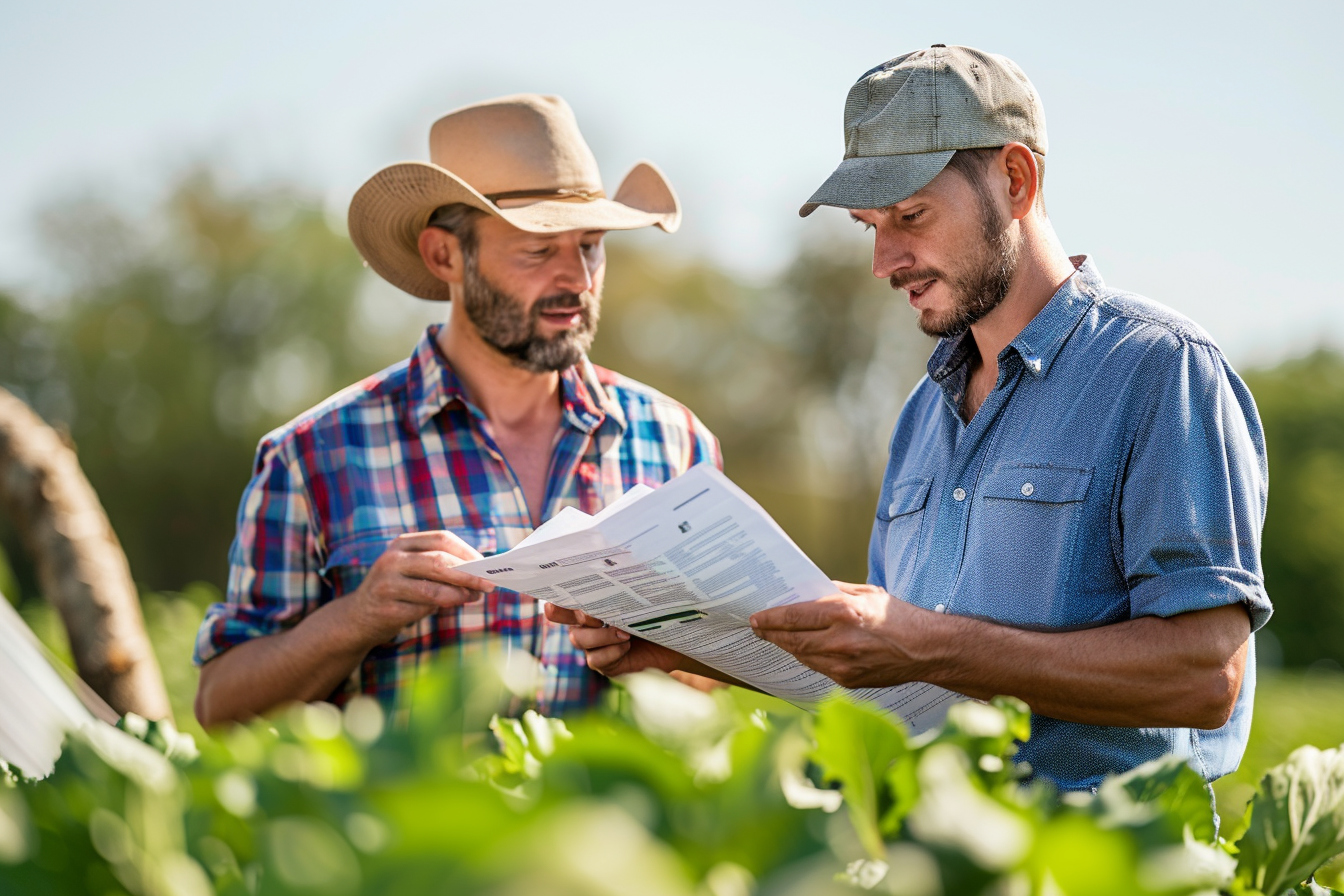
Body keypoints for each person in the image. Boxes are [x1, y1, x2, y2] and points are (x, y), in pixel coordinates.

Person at [550, 46, 1270, 793]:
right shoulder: (921, 416)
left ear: (1016, 181)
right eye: (871, 226)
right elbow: (891, 682)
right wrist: (683, 650)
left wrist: (930, 644)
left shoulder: (1161, 371)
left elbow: (1204, 675)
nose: (885, 260)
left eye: (912, 215)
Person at [193, 94, 720, 727]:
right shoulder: (311, 455)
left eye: (591, 246)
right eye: (538, 250)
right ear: (445, 255)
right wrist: (353, 619)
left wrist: (669, 659)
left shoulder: (677, 442)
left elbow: (718, 679)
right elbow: (220, 707)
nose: (577, 279)